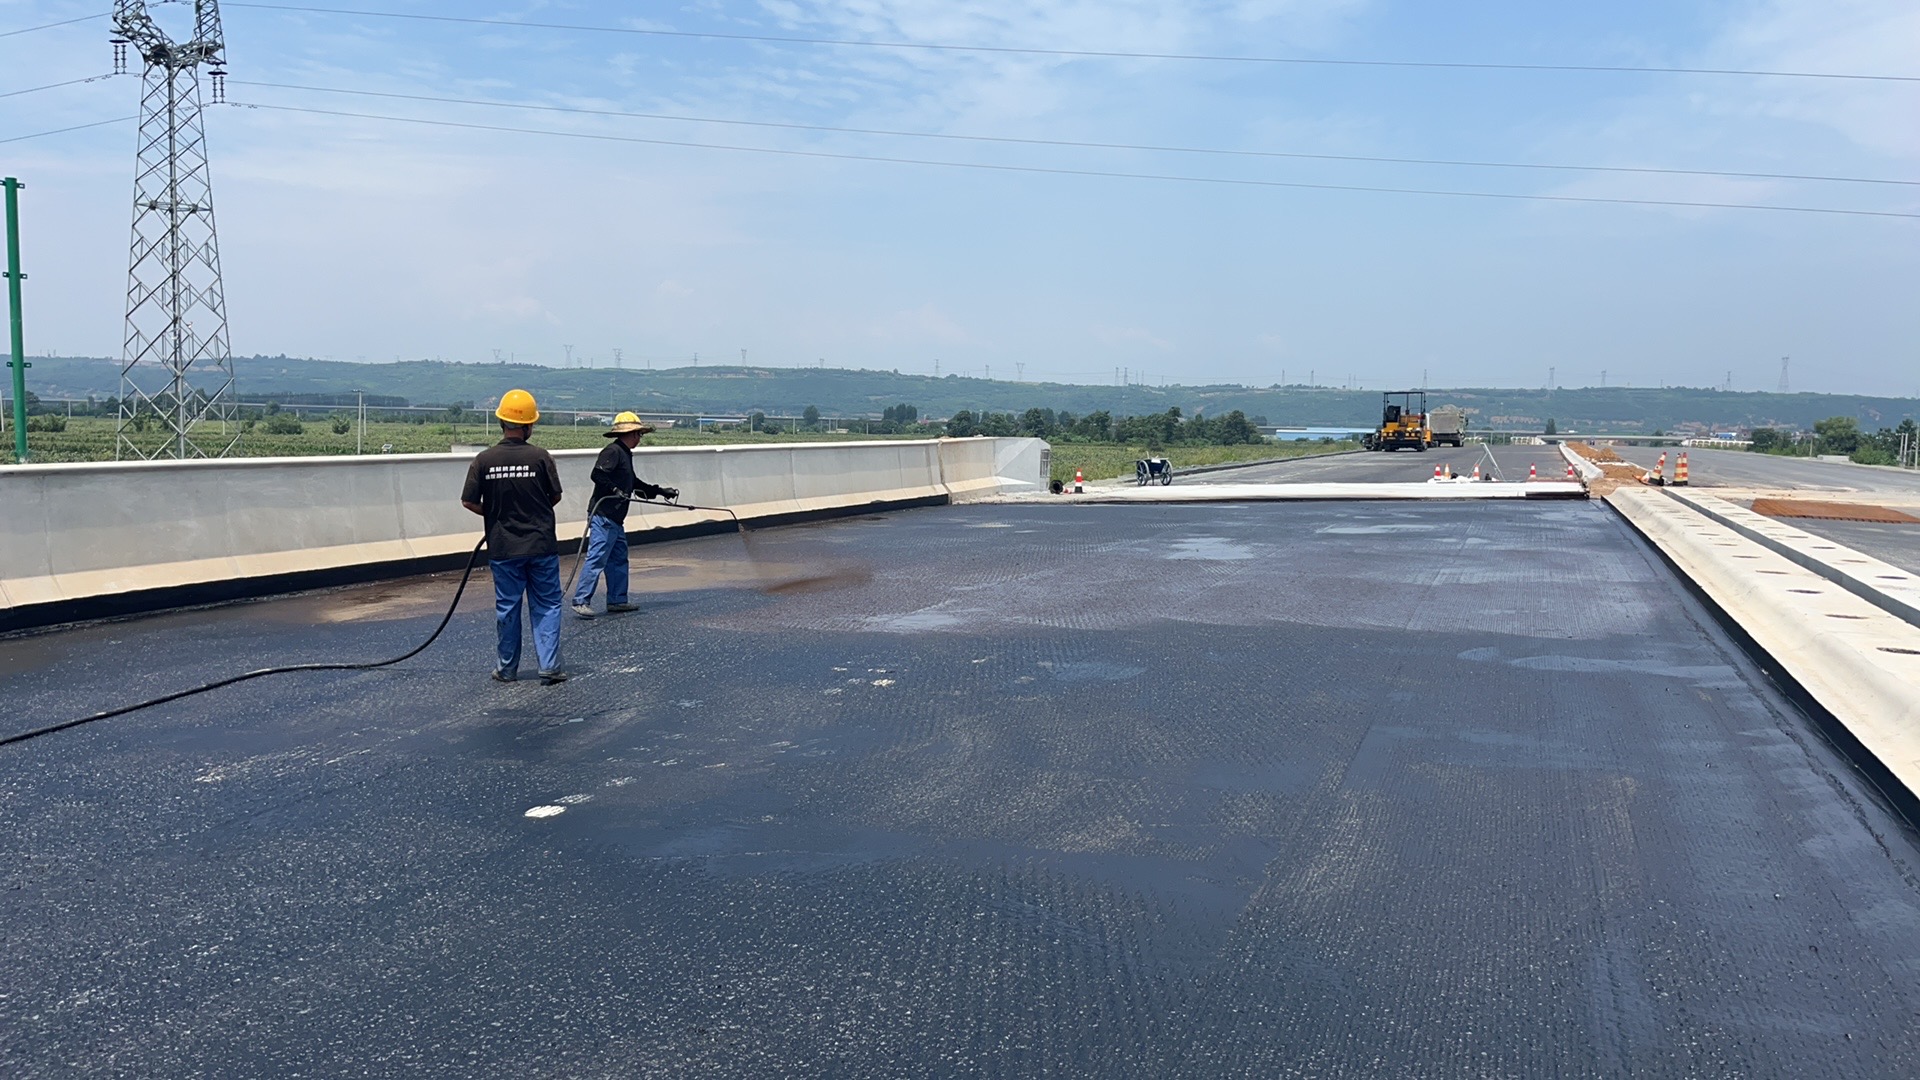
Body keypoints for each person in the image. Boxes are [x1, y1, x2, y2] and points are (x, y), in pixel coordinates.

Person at [461, 389, 568, 685]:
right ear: (528, 425)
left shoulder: (483, 460)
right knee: (546, 604)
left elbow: (468, 501)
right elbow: (555, 496)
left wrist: (497, 514)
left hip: (503, 547)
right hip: (541, 545)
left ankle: (507, 669)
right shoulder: (540, 457)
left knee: (507, 607)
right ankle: (550, 666)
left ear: (502, 423)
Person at [571, 411, 678, 618]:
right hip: (603, 515)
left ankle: (617, 600)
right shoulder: (612, 451)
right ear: (631, 434)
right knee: (597, 558)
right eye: (638, 434)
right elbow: (598, 474)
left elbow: (634, 483)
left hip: (616, 519)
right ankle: (581, 600)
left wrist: (659, 491)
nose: (639, 438)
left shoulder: (625, 454)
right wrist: (614, 490)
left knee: (618, 559)